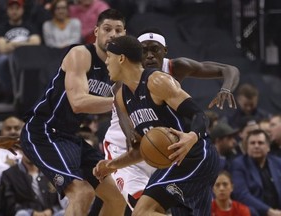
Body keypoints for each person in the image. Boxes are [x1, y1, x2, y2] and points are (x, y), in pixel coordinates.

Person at [102, 28, 240, 212]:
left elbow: (199, 114)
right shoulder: (121, 95)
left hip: (194, 155)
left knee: (142, 211)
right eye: (144, 51)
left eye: (108, 56)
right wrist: (110, 165)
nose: (150, 55)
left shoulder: (159, 79)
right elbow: (142, 149)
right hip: (174, 159)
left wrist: (192, 136)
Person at [20, 8, 127, 216]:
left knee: (117, 196)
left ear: (125, 34)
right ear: (96, 32)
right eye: (107, 29)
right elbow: (78, 102)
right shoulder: (81, 54)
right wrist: (121, 102)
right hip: (43, 131)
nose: (113, 34)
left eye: (118, 30)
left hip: (69, 136)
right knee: (82, 192)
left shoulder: (118, 69)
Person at [0, 0, 42, 103]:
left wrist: (13, 45)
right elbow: (2, 49)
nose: (14, 11)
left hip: (28, 57)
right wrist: (25, 43)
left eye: (17, 8)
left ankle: (31, 95)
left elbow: (36, 43)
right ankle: (10, 94)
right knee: (1, 61)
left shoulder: (30, 26)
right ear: (7, 11)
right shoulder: (1, 29)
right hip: (9, 57)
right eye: (11, 9)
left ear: (22, 10)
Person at [230, 129, 281, 216]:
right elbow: (241, 194)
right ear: (247, 147)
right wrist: (269, 211)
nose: (256, 146)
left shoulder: (277, 163)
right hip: (255, 213)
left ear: (268, 147)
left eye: (260, 143)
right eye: (252, 143)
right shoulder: (239, 164)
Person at [0, 149, 64, 216]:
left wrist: (51, 210)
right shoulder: (9, 175)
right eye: (27, 148)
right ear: (21, 150)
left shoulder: (51, 172)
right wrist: (32, 213)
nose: (31, 153)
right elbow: (9, 204)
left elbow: (62, 200)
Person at [0, 116, 24, 183]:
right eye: (8, 128)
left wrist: (12, 166)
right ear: (1, 131)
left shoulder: (31, 150)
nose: (13, 131)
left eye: (17, 128)